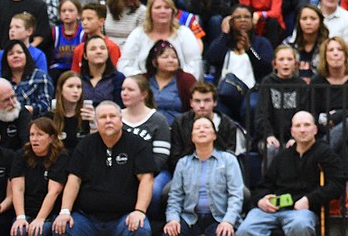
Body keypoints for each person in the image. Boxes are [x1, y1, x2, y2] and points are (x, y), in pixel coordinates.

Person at [51, 101, 156, 236]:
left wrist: (139, 211)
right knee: (61, 228)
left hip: (124, 217)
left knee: (140, 229)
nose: (108, 121)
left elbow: (147, 180)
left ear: (121, 119)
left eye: (112, 116)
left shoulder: (137, 144)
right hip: (86, 218)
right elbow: (74, 179)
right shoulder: (85, 144)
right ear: (96, 121)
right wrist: (65, 211)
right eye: (103, 117)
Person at [235, 111, 347, 236]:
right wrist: (261, 200)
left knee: (300, 226)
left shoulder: (325, 153)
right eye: (298, 126)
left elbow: (338, 183)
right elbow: (264, 185)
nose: (302, 130)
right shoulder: (283, 155)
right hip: (272, 209)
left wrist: (309, 199)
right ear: (292, 132)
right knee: (245, 229)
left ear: (315, 129)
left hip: (302, 210)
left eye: (307, 125)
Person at [163, 115, 244, 236]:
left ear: (214, 135)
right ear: (191, 137)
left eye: (206, 127)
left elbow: (236, 195)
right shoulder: (183, 163)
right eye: (197, 128)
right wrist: (172, 219)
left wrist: (228, 221)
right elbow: (175, 196)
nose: (201, 130)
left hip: (220, 218)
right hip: (190, 218)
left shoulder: (229, 160)